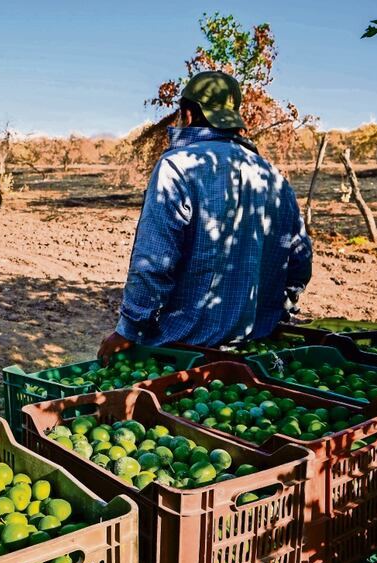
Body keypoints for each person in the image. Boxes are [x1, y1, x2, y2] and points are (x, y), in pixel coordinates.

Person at [98, 70, 312, 362]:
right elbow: (299, 261)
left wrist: (128, 330)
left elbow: (154, 262)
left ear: (187, 113)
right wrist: (276, 308)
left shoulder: (177, 167)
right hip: (254, 352)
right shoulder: (272, 176)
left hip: (184, 354)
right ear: (232, 115)